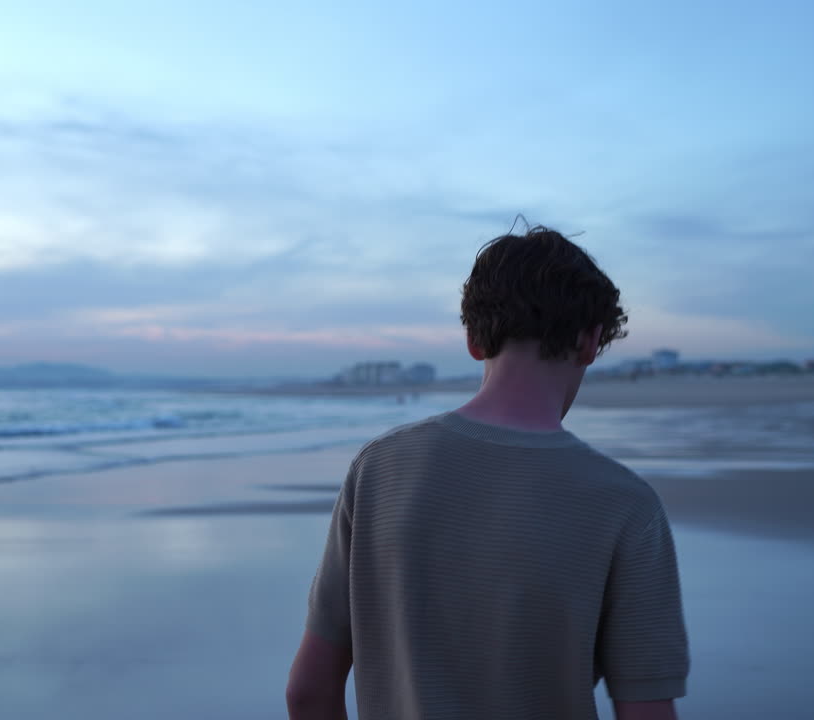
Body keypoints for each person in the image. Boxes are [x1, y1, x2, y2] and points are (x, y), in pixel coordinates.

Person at [287, 225, 689, 719]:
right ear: (590, 342)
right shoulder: (626, 504)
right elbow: (646, 711)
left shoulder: (379, 471)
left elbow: (308, 691)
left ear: (474, 340)